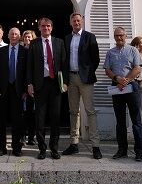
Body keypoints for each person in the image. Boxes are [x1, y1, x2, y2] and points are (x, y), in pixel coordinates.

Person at [62, 13, 102, 159]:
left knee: (90, 111)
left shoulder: (89, 37)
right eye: (74, 21)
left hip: (85, 79)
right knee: (73, 111)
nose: (76, 23)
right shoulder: (67, 38)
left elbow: (95, 59)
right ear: (70, 22)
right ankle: (74, 143)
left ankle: (95, 146)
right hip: (71, 78)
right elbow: (65, 60)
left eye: (78, 20)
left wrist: (87, 72)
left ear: (82, 22)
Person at [27, 17, 67, 160]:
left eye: (48, 26)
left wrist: (65, 82)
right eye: (43, 26)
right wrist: (30, 84)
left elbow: (64, 64)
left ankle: (54, 149)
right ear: (39, 28)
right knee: (40, 119)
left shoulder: (59, 42)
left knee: (56, 118)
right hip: (40, 85)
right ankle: (42, 149)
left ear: (52, 27)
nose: (46, 28)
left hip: (56, 85)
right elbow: (29, 65)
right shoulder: (34, 43)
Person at [104, 27, 142, 161]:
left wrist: (126, 80)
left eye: (121, 35)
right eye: (116, 36)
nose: (119, 38)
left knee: (136, 120)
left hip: (131, 86)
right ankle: (122, 149)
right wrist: (117, 79)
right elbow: (107, 70)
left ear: (125, 36)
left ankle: (139, 151)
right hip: (116, 86)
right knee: (120, 120)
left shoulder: (133, 50)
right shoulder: (110, 52)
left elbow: (137, 68)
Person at [0, 28, 27, 157]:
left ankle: (16, 147)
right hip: (2, 90)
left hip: (18, 91)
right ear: (7, 36)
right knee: (0, 120)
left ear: (20, 37)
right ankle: (1, 147)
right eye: (11, 34)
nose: (13, 36)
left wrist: (25, 90)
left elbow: (26, 73)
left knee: (17, 120)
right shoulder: (1, 51)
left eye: (16, 34)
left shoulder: (25, 51)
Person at [21, 30, 36, 145]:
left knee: (33, 113)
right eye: (25, 37)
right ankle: (22, 136)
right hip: (22, 88)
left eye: (29, 37)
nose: (27, 39)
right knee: (22, 113)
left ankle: (31, 137)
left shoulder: (36, 50)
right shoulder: (20, 51)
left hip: (34, 87)